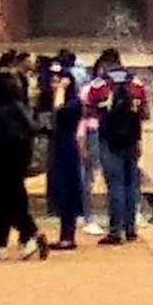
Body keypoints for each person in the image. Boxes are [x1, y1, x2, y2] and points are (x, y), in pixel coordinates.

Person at [0, 64, 46, 257]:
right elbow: (33, 128)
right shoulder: (18, 107)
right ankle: (26, 236)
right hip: (16, 161)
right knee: (15, 200)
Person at [93, 53, 149, 242]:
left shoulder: (99, 85)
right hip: (132, 139)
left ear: (105, 64)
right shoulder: (137, 83)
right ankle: (130, 228)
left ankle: (115, 230)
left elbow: (89, 110)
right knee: (131, 184)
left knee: (115, 184)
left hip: (108, 139)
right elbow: (145, 114)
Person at [41, 58, 91, 248]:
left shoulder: (73, 102)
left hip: (67, 148)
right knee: (59, 190)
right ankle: (64, 235)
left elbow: (59, 113)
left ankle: (68, 236)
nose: (54, 85)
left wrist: (61, 89)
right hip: (57, 147)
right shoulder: (54, 99)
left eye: (58, 81)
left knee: (67, 189)